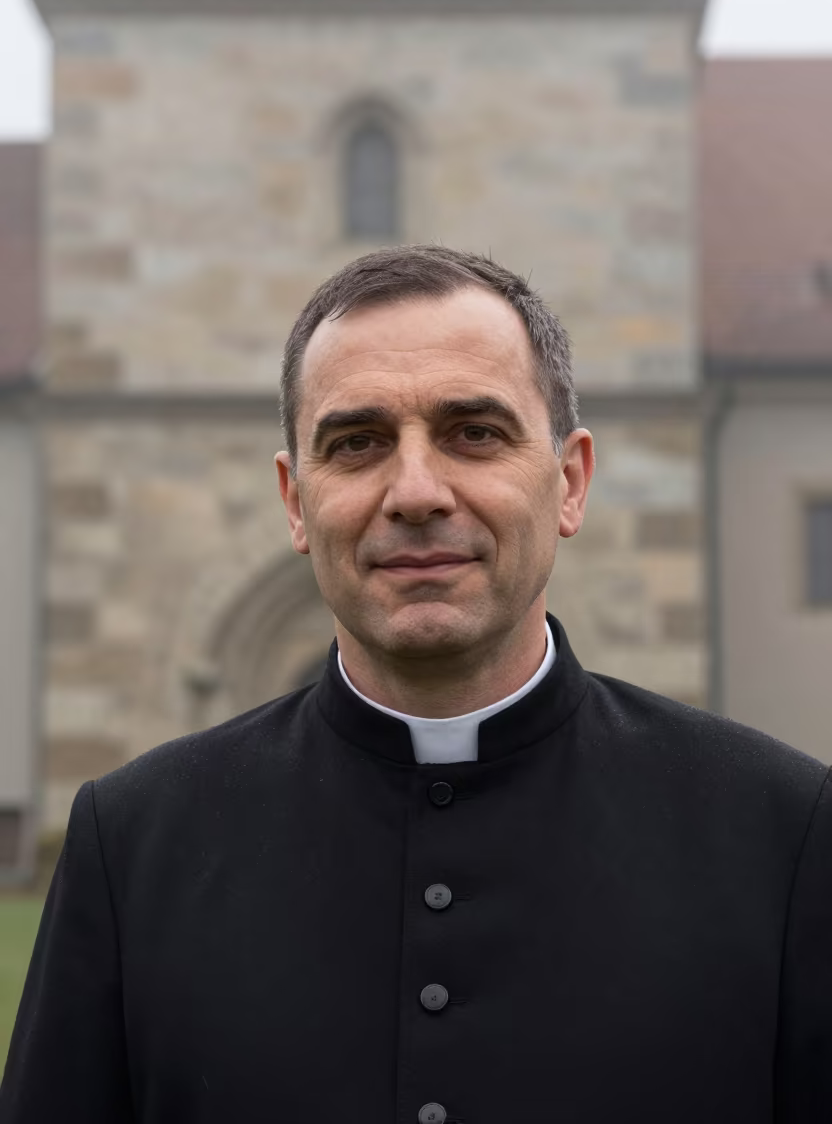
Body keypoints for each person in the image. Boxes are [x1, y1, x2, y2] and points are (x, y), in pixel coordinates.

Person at [1, 245, 830, 1124]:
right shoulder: (130, 846)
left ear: (571, 483)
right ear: (294, 501)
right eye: (356, 444)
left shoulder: (783, 834)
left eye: (475, 432)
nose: (416, 492)